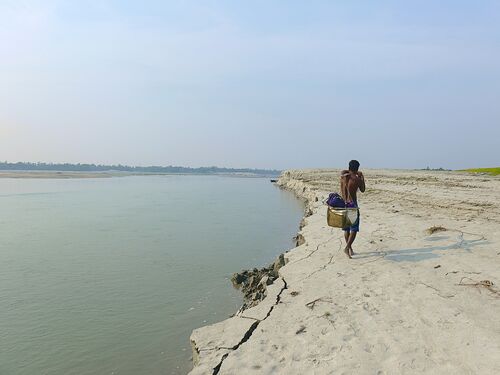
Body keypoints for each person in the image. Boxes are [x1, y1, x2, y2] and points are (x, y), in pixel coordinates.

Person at [340, 160, 365, 258]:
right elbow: (363, 189)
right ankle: (347, 247)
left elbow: (344, 171)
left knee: (346, 229)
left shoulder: (343, 176)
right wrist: (362, 176)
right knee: (354, 229)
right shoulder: (356, 179)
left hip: (343, 204)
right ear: (357, 168)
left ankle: (350, 249)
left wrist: (351, 171)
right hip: (352, 205)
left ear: (349, 167)